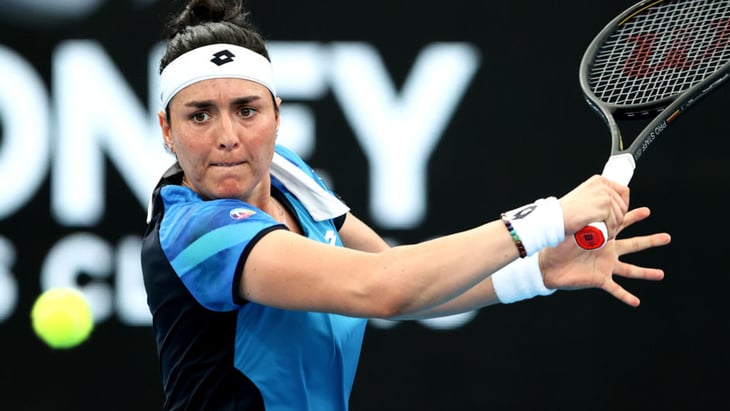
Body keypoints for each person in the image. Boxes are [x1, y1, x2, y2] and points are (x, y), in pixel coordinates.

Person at [140, 0, 671, 410]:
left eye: (247, 110)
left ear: (277, 115)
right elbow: (385, 289)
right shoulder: (197, 232)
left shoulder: (286, 173)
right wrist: (548, 218)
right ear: (167, 129)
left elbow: (403, 276)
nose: (228, 136)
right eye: (200, 115)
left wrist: (536, 271)